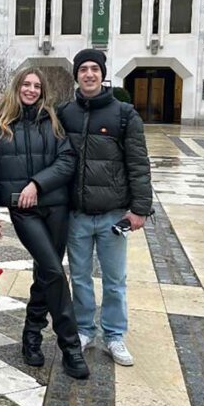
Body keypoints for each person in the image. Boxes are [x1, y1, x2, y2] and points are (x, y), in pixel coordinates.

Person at [0, 68, 89, 380]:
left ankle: (32, 333)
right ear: (17, 87)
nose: (31, 90)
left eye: (37, 85)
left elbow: (67, 161)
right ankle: (70, 346)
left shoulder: (52, 122)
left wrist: (37, 184)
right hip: (23, 210)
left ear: (43, 90)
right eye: (26, 84)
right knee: (54, 270)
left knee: (46, 271)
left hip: (56, 207)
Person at [58, 49, 153, 368]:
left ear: (102, 74)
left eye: (94, 69)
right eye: (83, 69)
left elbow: (139, 163)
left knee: (114, 279)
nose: (88, 74)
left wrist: (140, 208)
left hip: (113, 214)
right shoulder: (64, 113)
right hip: (77, 214)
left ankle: (114, 335)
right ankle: (84, 329)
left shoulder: (124, 114)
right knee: (81, 276)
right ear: (76, 75)